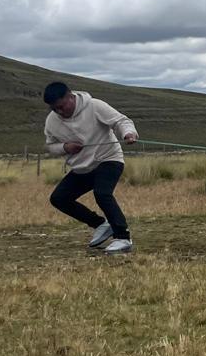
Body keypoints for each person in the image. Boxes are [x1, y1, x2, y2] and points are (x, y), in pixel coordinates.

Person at [42, 81, 138, 255]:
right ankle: (101, 224)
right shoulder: (52, 121)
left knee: (102, 193)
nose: (59, 111)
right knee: (59, 198)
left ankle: (123, 238)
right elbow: (50, 146)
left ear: (70, 96)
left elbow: (121, 121)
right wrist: (65, 147)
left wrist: (128, 133)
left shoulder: (94, 106)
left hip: (108, 159)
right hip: (82, 168)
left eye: (61, 106)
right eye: (54, 109)